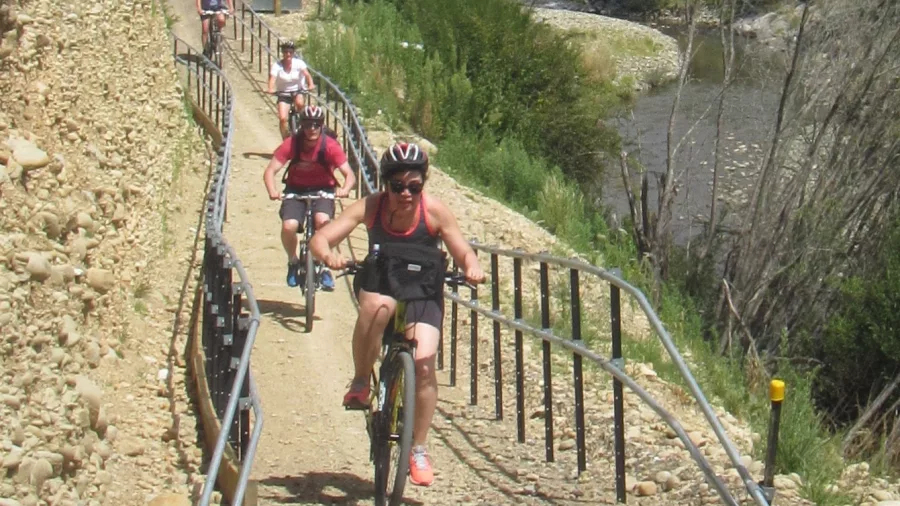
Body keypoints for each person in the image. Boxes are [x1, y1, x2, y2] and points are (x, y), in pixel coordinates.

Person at [309, 142, 485, 487]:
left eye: (414, 186)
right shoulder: (371, 208)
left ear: (424, 184)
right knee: (378, 307)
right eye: (398, 186)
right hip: (382, 281)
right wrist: (327, 255)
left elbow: (461, 248)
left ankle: (418, 447)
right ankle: (361, 380)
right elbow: (323, 237)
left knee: (423, 362)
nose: (406, 194)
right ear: (384, 183)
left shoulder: (435, 212)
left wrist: (472, 266)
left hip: (423, 289)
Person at [263, 105, 356, 291]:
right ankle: (293, 261)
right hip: (295, 189)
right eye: (307, 124)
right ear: (301, 126)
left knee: (323, 221)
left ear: (321, 126)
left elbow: (349, 175)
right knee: (289, 225)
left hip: (323, 190)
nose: (311, 129)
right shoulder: (292, 143)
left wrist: (344, 189)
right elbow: (270, 171)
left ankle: (323, 264)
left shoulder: (330, 146)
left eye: (315, 124)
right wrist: (272, 190)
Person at [268, 40, 316, 139]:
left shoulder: (299, 63)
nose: (288, 54)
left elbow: (307, 74)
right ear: (282, 53)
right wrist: (270, 88)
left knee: (299, 103)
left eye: (290, 52)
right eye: (285, 52)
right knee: (282, 118)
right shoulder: (277, 66)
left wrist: (310, 84)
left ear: (293, 53)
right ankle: (285, 139)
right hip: (283, 94)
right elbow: (272, 78)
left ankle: (304, 124)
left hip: (298, 91)